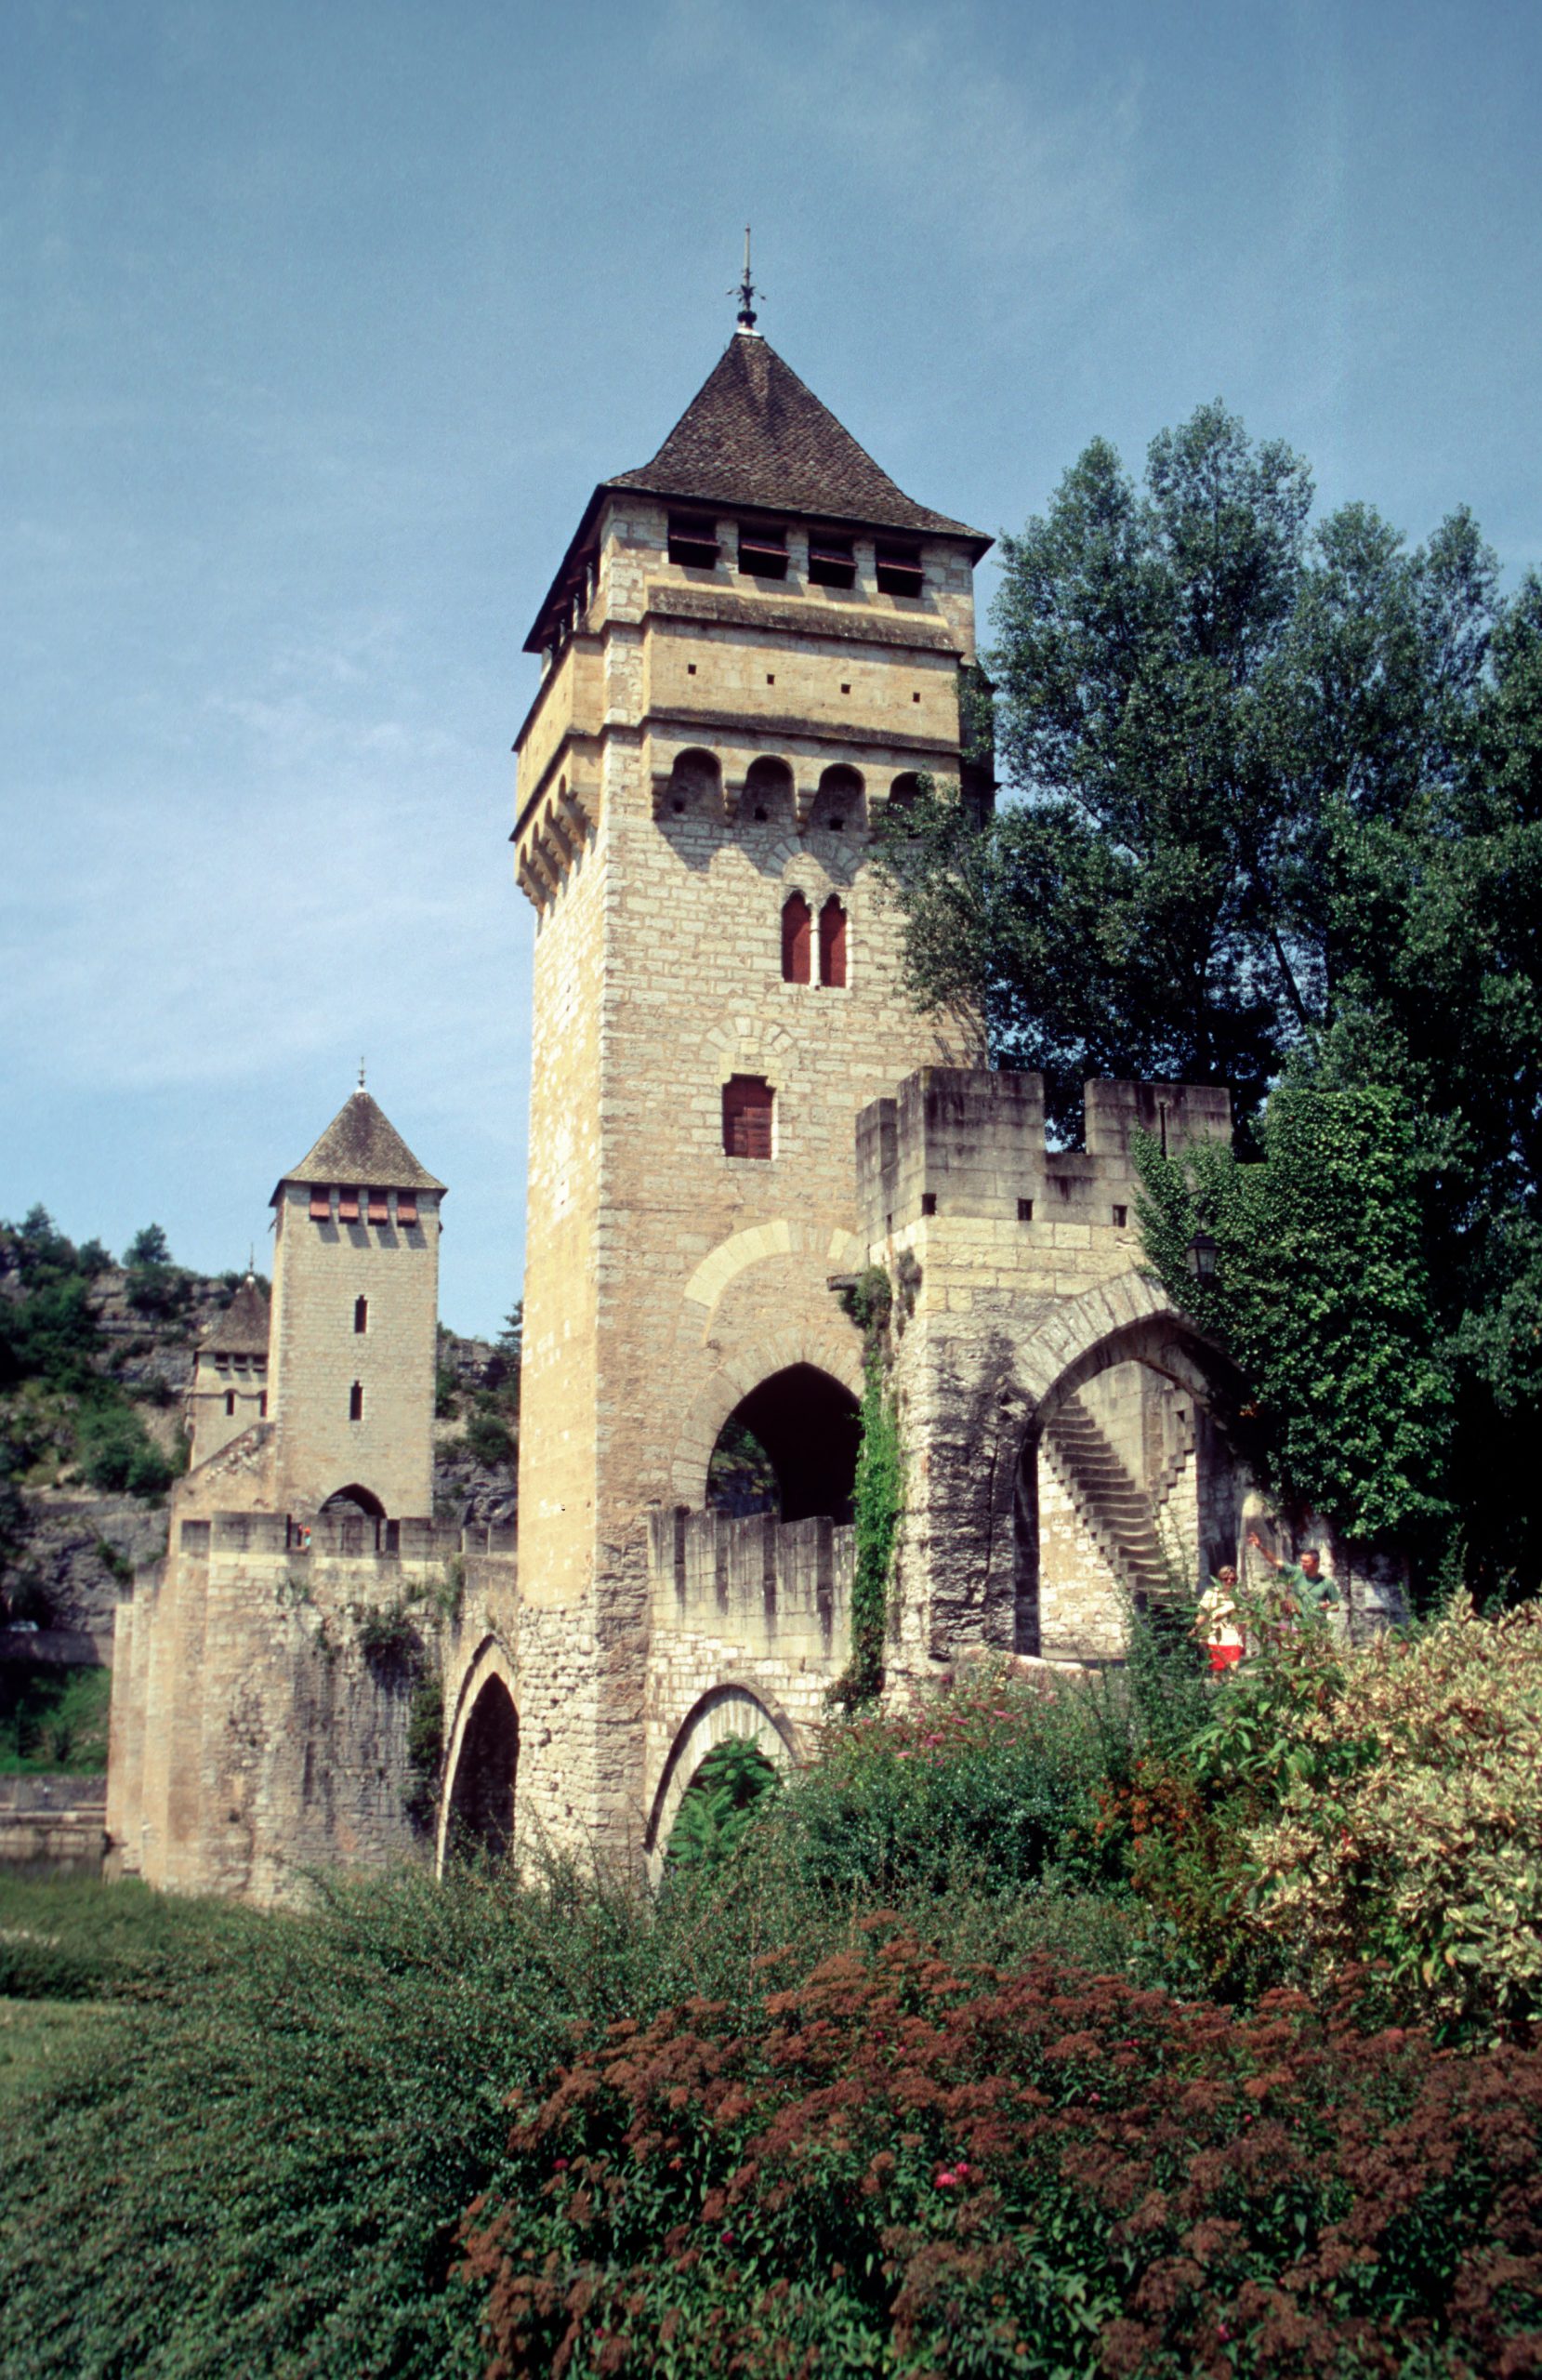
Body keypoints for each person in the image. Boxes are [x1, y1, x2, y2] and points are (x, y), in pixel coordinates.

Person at [1245, 1530, 1339, 1624]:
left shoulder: (1326, 1583)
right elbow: (1275, 1561)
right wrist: (1260, 1547)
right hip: (1298, 1626)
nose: (1302, 1564)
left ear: (1316, 1563)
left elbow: (1336, 1607)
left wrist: (1327, 1606)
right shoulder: (1296, 1572)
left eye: (1306, 1562)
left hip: (1317, 1629)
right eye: (1302, 1561)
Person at [1194, 1563, 1245, 1672]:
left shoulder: (1238, 1597)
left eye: (1232, 1579)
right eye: (1225, 1579)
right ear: (1219, 1579)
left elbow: (1241, 1624)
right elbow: (1202, 1617)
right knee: (1217, 1676)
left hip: (1233, 1640)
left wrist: (1243, 1642)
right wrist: (1195, 1631)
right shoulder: (1211, 1594)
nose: (1229, 1582)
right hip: (1215, 1639)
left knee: (1233, 1673)